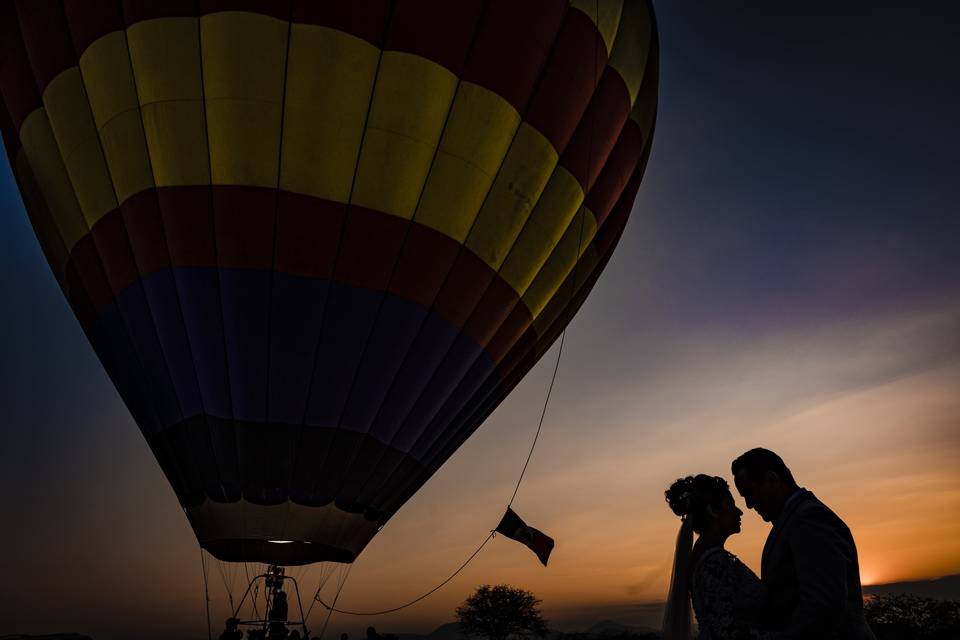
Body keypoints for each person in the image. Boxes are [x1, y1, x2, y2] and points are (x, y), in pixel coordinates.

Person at [732, 448, 875, 639]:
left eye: (750, 493)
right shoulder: (792, 520)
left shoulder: (809, 518)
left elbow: (823, 606)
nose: (749, 505)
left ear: (772, 479)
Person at [662, 474, 766, 639]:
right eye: (731, 505)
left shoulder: (706, 556)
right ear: (713, 511)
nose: (739, 512)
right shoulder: (714, 562)